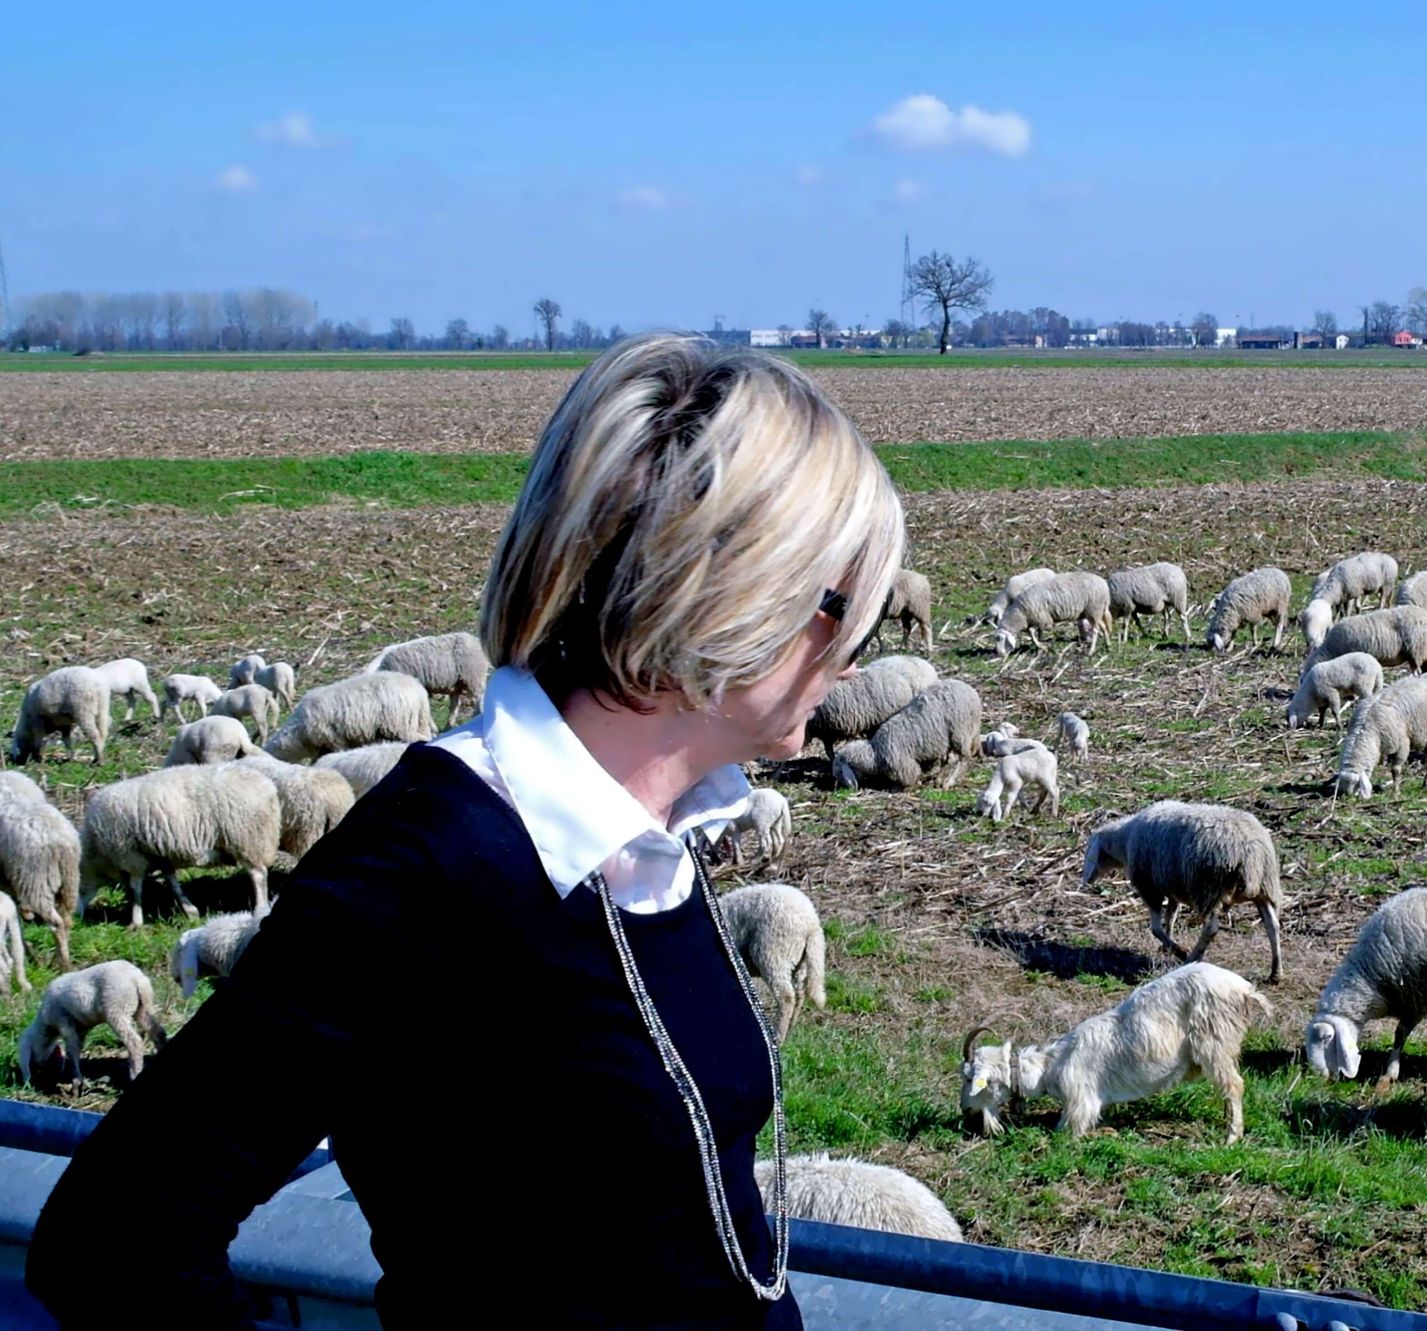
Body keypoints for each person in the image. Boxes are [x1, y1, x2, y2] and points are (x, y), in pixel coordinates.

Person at [27, 337, 905, 1329]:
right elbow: (115, 1235)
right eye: (845, 608)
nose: (854, 650)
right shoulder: (427, 864)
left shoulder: (655, 830)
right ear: (728, 595)